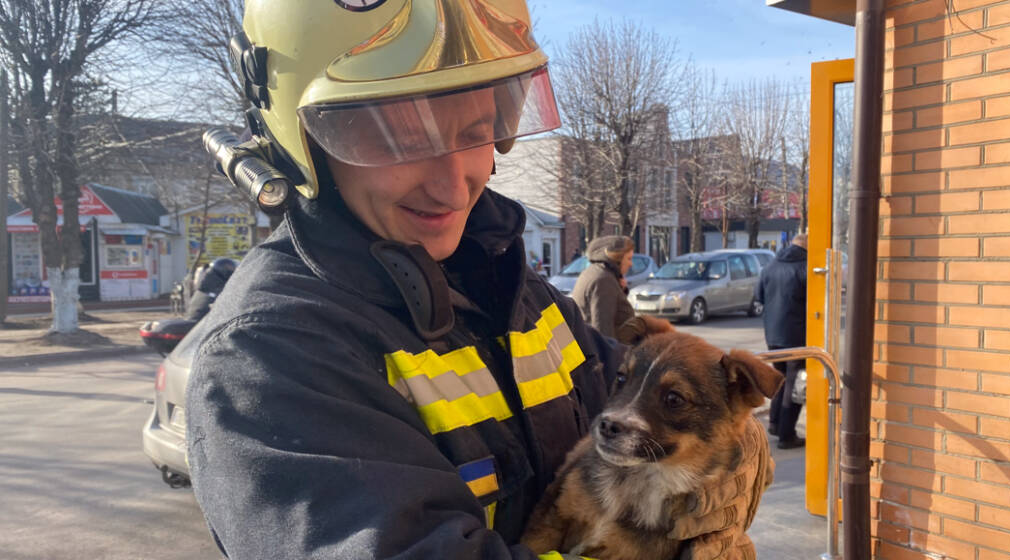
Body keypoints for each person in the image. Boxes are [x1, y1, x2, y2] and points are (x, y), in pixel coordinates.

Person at [185, 2, 770, 559]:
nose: (454, 184)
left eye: (475, 130)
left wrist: (737, 446)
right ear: (303, 142)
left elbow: (643, 386)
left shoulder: (507, 286)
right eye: (399, 139)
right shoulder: (270, 357)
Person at [755, 233, 808, 449]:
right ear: (806, 248)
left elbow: (759, 297)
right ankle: (787, 434)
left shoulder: (770, 266)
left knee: (780, 378)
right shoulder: (806, 267)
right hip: (797, 335)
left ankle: (775, 424)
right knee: (794, 384)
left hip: (773, 336)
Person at [572, 235, 636, 340]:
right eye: (629, 258)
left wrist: (620, 290)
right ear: (617, 257)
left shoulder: (595, 272)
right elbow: (602, 331)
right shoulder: (603, 281)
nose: (631, 264)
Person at [183, 258, 236, 322]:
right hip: (203, 326)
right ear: (224, 271)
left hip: (200, 324)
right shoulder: (218, 290)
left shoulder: (206, 288)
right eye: (230, 268)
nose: (232, 270)